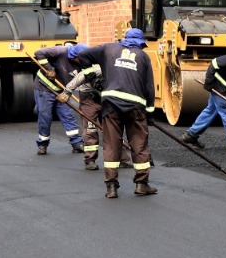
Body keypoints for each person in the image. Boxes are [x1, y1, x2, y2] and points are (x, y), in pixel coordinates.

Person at [63, 28, 157, 198]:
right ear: (140, 43)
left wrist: (95, 79)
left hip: (111, 105)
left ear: (124, 39)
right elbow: (149, 88)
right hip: (135, 106)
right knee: (139, 145)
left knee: (112, 145)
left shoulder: (108, 48)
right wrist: (150, 113)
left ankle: (111, 187)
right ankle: (141, 184)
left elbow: (83, 56)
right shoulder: (143, 57)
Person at [32, 43, 86, 156]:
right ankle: (43, 144)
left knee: (68, 115)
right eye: (79, 59)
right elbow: (38, 53)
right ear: (74, 56)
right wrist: (49, 68)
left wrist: (68, 92)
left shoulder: (83, 61)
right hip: (44, 88)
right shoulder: (61, 51)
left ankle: (76, 143)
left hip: (62, 90)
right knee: (45, 116)